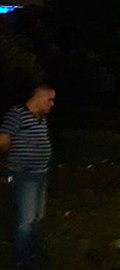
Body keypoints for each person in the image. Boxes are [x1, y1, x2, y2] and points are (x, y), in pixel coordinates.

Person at [0, 85, 56, 269]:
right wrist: (8, 166)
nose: (52, 104)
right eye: (49, 99)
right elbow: (3, 141)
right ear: (37, 98)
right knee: (26, 220)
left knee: (37, 219)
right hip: (24, 175)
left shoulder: (41, 119)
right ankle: (21, 261)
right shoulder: (17, 114)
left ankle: (32, 255)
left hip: (40, 174)